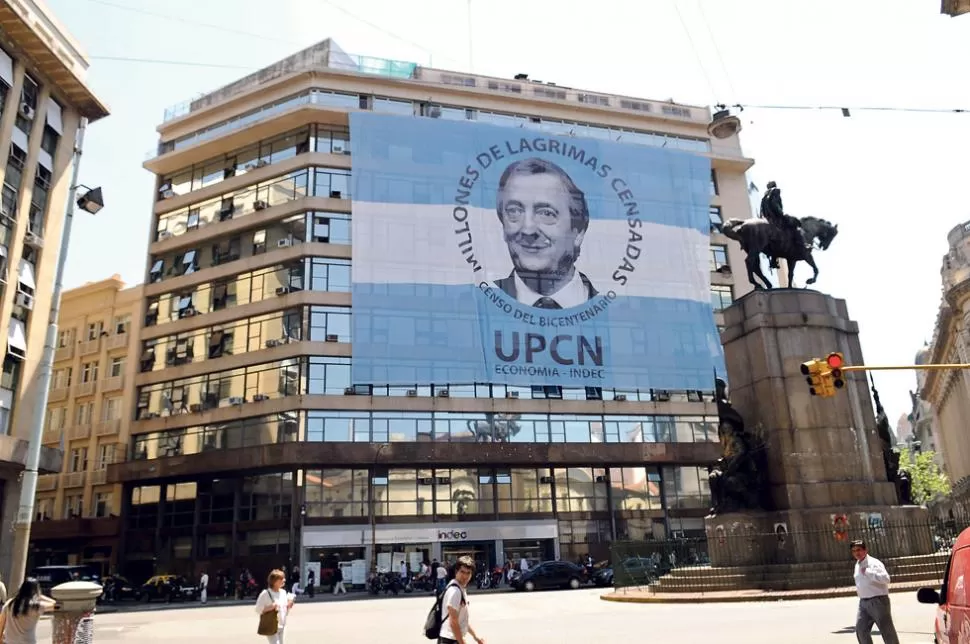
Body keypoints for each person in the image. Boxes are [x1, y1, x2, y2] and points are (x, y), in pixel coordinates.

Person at [492, 158, 597, 309]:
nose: (528, 229)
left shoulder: (613, 311)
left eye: (546, 213)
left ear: (578, 232)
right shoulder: (481, 303)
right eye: (514, 211)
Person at [850, 539, 899, 644]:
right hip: (863, 602)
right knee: (861, 630)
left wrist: (868, 572)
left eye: (859, 550)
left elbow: (886, 579)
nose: (856, 553)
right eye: (854, 551)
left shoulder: (874, 563)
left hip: (878, 601)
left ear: (865, 550)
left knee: (887, 631)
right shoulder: (857, 564)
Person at [438, 556, 485, 644]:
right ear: (456, 571)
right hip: (450, 640)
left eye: (468, 573)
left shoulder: (460, 588)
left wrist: (475, 637)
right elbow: (453, 622)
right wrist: (462, 642)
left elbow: (462, 620)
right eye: (462, 572)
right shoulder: (455, 592)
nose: (465, 576)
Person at [0, 578, 56, 643]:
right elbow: (57, 605)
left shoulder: (9, 603)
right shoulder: (35, 606)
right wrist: (40, 596)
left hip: (10, 641)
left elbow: (1, 622)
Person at [254, 569, 294, 644]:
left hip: (282, 624)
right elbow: (258, 609)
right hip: (271, 625)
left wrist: (289, 605)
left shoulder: (283, 592)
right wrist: (270, 607)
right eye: (281, 579)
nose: (284, 580)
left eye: (284, 578)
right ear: (274, 581)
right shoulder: (265, 593)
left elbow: (284, 609)